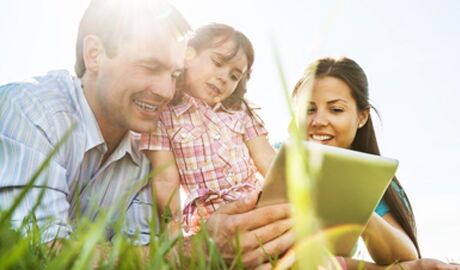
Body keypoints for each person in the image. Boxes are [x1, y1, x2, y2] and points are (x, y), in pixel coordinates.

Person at [0, 0, 293, 267]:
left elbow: (140, 255)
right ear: (94, 54)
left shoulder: (145, 155)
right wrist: (196, 250)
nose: (166, 91)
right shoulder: (31, 111)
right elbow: (40, 249)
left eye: (174, 75)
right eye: (149, 66)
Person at [286, 57, 459, 269]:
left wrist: (360, 210)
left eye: (336, 110)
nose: (319, 121)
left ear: (362, 117)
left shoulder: (369, 178)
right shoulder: (274, 156)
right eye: (309, 109)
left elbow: (405, 255)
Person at [139, 23, 276, 236]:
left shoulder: (239, 110)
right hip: (209, 221)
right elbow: (165, 179)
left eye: (234, 76)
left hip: (255, 205)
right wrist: (172, 231)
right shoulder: (164, 115)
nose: (223, 77)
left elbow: (267, 159)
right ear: (189, 54)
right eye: (217, 62)